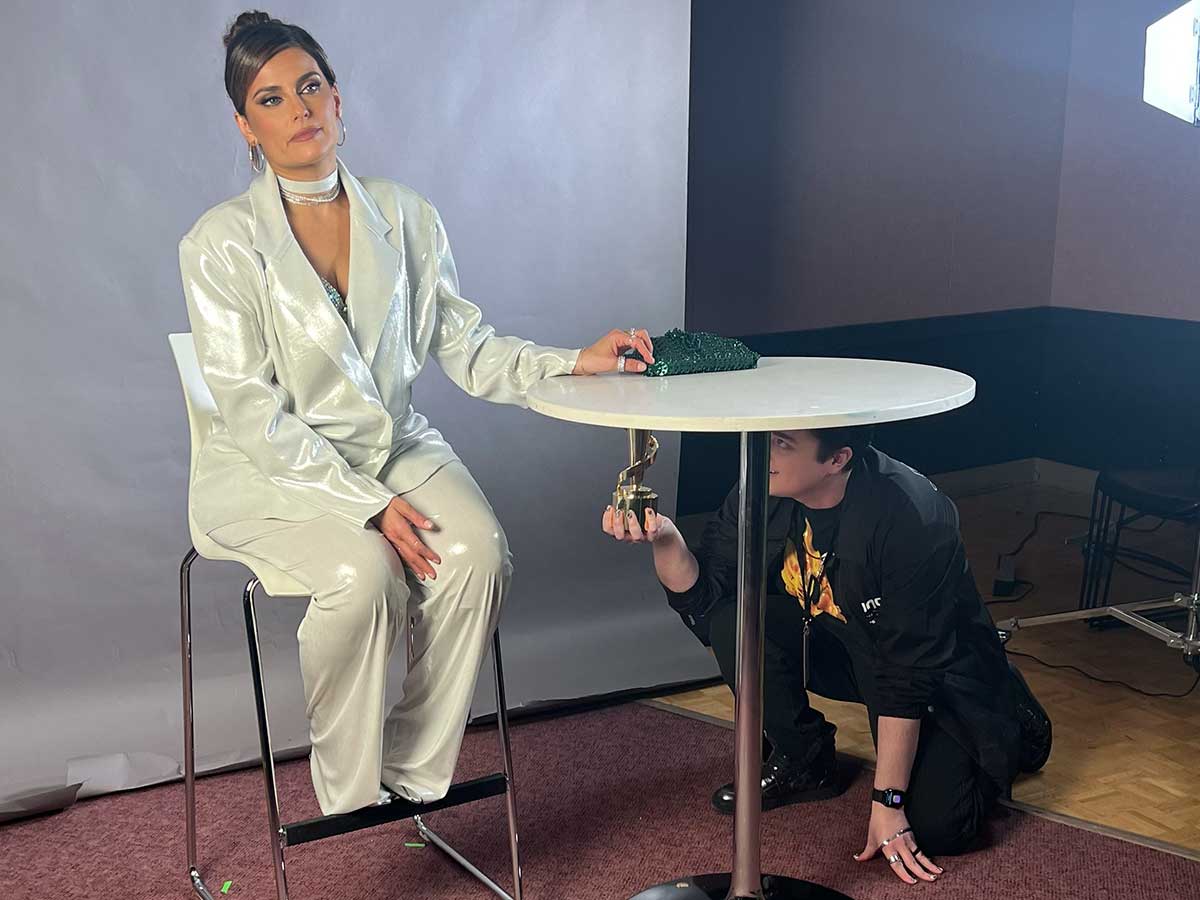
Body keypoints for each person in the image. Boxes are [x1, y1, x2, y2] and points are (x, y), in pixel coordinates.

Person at [180, 11, 656, 817]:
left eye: (310, 88)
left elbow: (468, 349)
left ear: (338, 100)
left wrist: (576, 359)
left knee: (477, 551)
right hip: (267, 467)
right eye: (271, 100)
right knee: (363, 573)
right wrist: (367, 506)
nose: (299, 110)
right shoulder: (218, 244)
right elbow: (253, 413)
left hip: (393, 444)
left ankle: (408, 769)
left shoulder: (405, 214)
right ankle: (347, 787)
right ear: (245, 126)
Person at [602, 425, 1052, 885]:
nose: (764, 450)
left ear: (837, 460)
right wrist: (664, 537)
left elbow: (908, 671)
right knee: (733, 618)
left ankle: (1010, 713)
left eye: (783, 443)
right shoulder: (762, 484)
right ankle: (805, 758)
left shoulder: (913, 515)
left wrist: (890, 802)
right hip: (839, 644)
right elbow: (708, 595)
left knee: (943, 828)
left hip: (933, 670)